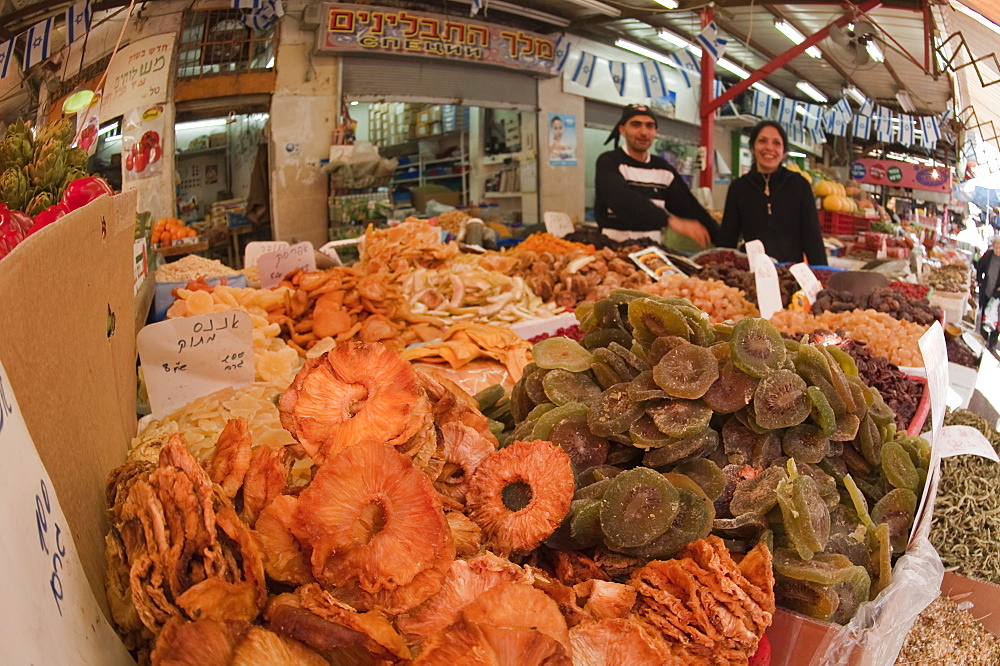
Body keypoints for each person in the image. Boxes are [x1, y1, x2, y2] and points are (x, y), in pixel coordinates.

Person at [594, 103, 718, 248]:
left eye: (650, 126)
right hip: (612, 254)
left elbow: (689, 207)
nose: (644, 132)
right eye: (636, 125)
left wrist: (724, 239)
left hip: (652, 255)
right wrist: (669, 220)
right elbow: (621, 200)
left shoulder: (663, 169)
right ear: (622, 130)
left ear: (655, 131)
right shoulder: (609, 162)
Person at [718, 120, 827, 265]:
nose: (769, 148)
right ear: (752, 148)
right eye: (762, 141)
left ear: (784, 152)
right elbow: (727, 239)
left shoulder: (799, 186)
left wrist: (822, 276)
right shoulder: (739, 188)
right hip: (750, 275)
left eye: (776, 143)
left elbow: (813, 239)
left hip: (790, 276)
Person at [976, 235, 1000, 331]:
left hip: (998, 295)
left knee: (996, 318)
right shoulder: (989, 255)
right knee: (984, 316)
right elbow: (979, 266)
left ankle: (992, 342)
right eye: (995, 248)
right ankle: (983, 337)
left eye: (999, 248)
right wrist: (980, 281)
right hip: (987, 290)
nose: (997, 250)